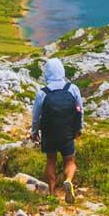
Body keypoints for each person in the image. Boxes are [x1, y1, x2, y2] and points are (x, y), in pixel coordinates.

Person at [31, 57, 83, 204]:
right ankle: (68, 180)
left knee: (50, 160)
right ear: (62, 70)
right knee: (70, 160)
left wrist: (35, 132)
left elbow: (36, 116)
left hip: (49, 133)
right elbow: (80, 111)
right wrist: (79, 128)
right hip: (68, 132)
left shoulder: (42, 92)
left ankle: (52, 193)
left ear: (47, 73)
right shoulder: (72, 89)